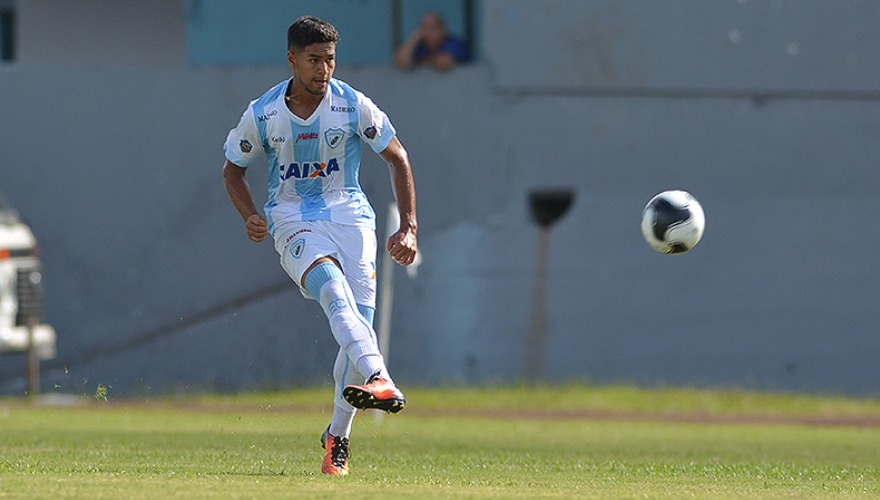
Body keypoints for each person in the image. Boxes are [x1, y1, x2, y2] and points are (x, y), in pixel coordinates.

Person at [221, 16, 418, 477]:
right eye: (313, 60)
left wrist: (409, 226)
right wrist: (250, 214)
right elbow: (232, 169)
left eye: (329, 59)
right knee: (333, 292)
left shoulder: (352, 105)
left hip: (351, 217)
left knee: (357, 326)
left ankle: (337, 438)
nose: (323, 69)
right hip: (292, 218)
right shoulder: (264, 113)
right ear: (292, 59)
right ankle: (379, 375)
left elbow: (398, 157)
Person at [394, 11, 469, 71]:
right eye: (425, 27)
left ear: (442, 30)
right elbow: (400, 62)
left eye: (432, 27)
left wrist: (418, 62)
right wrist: (413, 38)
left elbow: (444, 63)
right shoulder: (420, 46)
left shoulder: (454, 43)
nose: (428, 31)